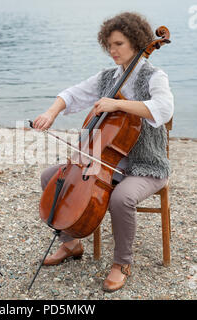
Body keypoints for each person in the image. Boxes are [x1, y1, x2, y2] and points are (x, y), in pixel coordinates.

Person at [32, 12, 174, 292]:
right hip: (109, 162)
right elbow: (72, 94)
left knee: (121, 198)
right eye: (109, 45)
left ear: (135, 42)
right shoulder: (109, 77)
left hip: (146, 166)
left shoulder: (154, 76)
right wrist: (51, 113)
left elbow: (164, 108)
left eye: (118, 44)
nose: (112, 51)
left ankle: (121, 263)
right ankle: (70, 244)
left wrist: (119, 105)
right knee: (52, 177)